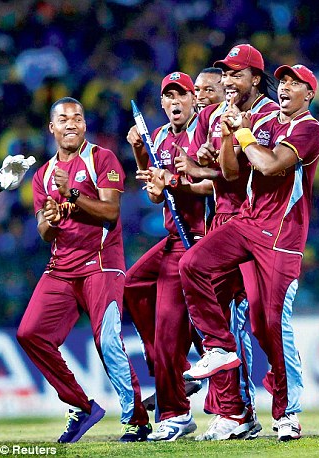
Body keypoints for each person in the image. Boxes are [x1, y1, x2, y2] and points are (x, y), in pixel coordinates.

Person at [180, 63, 319, 442]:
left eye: (296, 84)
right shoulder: (266, 124)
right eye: (285, 81)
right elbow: (232, 173)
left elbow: (270, 164)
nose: (287, 87)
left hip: (281, 235)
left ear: (309, 94)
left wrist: (240, 132)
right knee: (192, 264)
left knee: (268, 325)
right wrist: (228, 137)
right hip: (246, 221)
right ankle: (220, 347)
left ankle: (287, 414)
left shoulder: (310, 129)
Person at [17, 97, 151, 443]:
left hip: (102, 262)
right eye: (63, 119)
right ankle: (81, 404)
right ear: (52, 128)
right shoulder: (42, 175)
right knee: (30, 334)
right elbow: (45, 232)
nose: (71, 123)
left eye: (77, 117)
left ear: (85, 125)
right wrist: (50, 218)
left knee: (107, 339)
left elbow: (110, 213)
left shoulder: (101, 158)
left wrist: (71, 195)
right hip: (62, 266)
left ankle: (136, 419)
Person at [178, 44, 280, 440]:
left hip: (250, 220)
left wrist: (203, 166)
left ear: (253, 78)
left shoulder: (263, 115)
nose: (223, 84)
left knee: (255, 320)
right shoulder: (211, 117)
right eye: (224, 76)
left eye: (232, 75)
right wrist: (202, 161)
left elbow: (236, 175)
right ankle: (234, 411)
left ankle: (251, 409)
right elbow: (211, 171)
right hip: (221, 220)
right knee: (220, 318)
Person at [123, 72, 213, 441]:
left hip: (202, 238)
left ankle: (175, 414)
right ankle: (167, 365)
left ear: (194, 100)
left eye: (182, 95)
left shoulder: (205, 132)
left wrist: (175, 181)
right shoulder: (158, 137)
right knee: (132, 283)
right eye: (168, 97)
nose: (175, 102)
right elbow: (156, 197)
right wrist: (139, 153)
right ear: (162, 104)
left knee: (166, 329)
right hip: (174, 237)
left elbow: (215, 182)